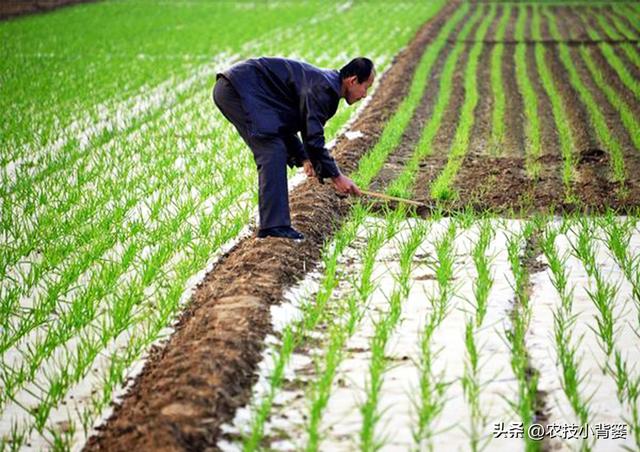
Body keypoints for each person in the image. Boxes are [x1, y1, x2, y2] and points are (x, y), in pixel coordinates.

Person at [213, 56, 375, 240]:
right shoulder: (325, 90)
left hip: (243, 88)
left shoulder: (327, 85)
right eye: (366, 87)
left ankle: (274, 225)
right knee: (271, 150)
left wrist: (304, 158)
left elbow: (282, 124)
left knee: (274, 144)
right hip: (239, 88)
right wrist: (337, 177)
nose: (365, 95)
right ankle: (274, 227)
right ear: (353, 80)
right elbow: (313, 138)